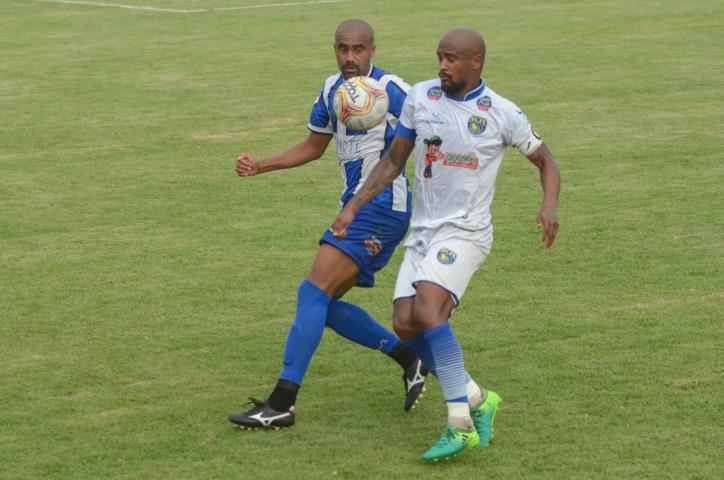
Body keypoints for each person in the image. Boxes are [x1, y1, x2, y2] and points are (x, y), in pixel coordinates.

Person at [332, 28, 560, 461]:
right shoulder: (421, 98)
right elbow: (393, 161)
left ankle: (459, 423)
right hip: (423, 232)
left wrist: (549, 206)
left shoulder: (502, 113)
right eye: (440, 57)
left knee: (430, 309)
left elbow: (547, 161)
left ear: (476, 62)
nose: (442, 66)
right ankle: (477, 397)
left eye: (452, 59)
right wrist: (354, 208)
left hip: (467, 232)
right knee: (405, 323)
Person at [228, 19, 428, 430]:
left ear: (373, 49)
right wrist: (260, 165)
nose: (350, 58)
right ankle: (411, 359)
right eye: (342, 49)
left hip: (380, 208)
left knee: (312, 291)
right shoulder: (330, 90)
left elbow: (435, 120)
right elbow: (314, 145)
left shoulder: (393, 90)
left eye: (358, 49)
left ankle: (283, 401)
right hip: (357, 208)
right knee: (324, 304)